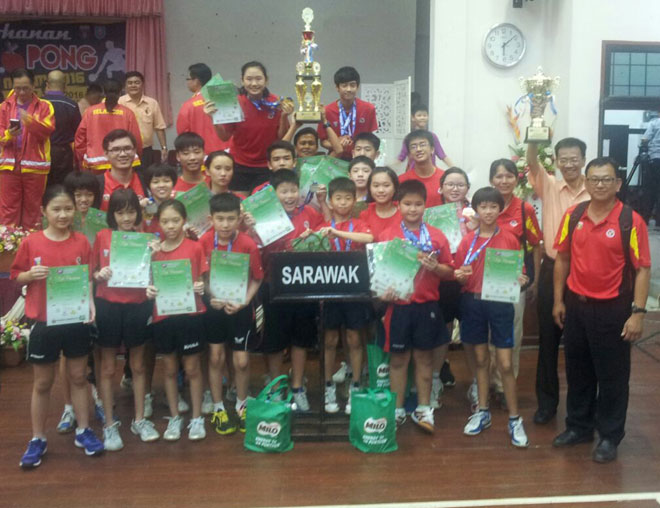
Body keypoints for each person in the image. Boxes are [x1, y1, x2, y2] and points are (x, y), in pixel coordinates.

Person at [551, 157, 651, 463]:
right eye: (593, 179)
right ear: (586, 182)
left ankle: (609, 435)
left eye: (606, 179)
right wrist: (558, 300)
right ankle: (579, 426)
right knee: (578, 371)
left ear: (618, 184)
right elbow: (563, 259)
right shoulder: (574, 215)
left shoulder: (630, 221)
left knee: (612, 376)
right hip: (577, 307)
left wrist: (638, 312)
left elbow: (643, 269)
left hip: (614, 310)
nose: (599, 185)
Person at [12, 185, 103, 469]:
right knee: (42, 383)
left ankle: (83, 431)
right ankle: (38, 438)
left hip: (75, 319)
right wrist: (29, 274)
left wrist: (91, 305)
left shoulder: (81, 243)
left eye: (68, 209)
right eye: (56, 209)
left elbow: (88, 278)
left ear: (74, 211)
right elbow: (16, 276)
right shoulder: (31, 242)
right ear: (43, 211)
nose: (63, 215)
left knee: (78, 377)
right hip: (43, 322)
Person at [243, 169, 325, 409]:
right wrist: (250, 230)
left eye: (293, 190)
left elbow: (324, 244)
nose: (290, 196)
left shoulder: (311, 213)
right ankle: (277, 386)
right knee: (274, 341)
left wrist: (314, 238)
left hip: (304, 287)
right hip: (272, 286)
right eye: (284, 191)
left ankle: (298, 386)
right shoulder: (262, 217)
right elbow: (251, 248)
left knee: (301, 340)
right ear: (273, 194)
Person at [454, 187, 529, 448]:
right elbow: (459, 271)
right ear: (476, 210)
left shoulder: (510, 238)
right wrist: (459, 275)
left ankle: (514, 418)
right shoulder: (467, 241)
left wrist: (521, 279)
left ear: (500, 209)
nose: (487, 211)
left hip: (500, 305)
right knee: (480, 360)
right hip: (472, 304)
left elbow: (520, 274)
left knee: (505, 363)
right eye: (482, 207)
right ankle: (482, 412)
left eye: (492, 207)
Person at [380, 179, 454, 432]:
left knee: (424, 359)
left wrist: (437, 267)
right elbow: (379, 274)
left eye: (418, 204)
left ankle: (424, 409)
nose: (413, 209)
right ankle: (398, 409)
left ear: (425, 205)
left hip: (427, 306)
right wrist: (383, 293)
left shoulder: (436, 235)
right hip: (398, 306)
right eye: (407, 204)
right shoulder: (388, 235)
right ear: (398, 205)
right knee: (398, 360)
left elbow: (449, 272)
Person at [527, 138, 590, 424]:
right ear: (556, 160)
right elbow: (531, 162)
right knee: (548, 341)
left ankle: (583, 407)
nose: (569, 164)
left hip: (586, 272)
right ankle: (547, 404)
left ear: (583, 159)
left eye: (574, 158)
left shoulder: (597, 189)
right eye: (563, 159)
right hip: (553, 266)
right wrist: (534, 138)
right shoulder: (550, 185)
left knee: (581, 343)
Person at [93, 189, 160, 450]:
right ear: (112, 215)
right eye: (120, 212)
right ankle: (110, 424)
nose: (126, 217)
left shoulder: (147, 240)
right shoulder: (102, 236)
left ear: (138, 213)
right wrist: (101, 274)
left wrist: (156, 255)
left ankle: (140, 420)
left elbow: (155, 277)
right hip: (108, 305)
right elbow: (94, 272)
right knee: (108, 368)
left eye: (131, 211)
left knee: (139, 366)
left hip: (138, 306)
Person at [200, 193, 263, 434]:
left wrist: (244, 302)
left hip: (240, 309)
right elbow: (202, 277)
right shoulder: (204, 241)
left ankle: (242, 404)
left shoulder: (247, 243)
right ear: (211, 219)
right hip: (214, 308)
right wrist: (210, 295)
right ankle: (218, 407)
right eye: (220, 219)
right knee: (215, 358)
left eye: (231, 219)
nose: (225, 225)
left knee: (242, 361)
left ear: (240, 219)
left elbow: (257, 278)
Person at [146, 199, 208, 441]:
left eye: (175, 220)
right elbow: (144, 282)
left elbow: (204, 279)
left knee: (192, 368)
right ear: (158, 223)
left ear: (184, 221)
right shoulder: (153, 251)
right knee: (170, 369)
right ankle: (174, 417)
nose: (170, 226)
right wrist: (148, 288)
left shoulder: (195, 247)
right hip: (163, 316)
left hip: (191, 315)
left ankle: (196, 418)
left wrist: (201, 286)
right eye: (164, 221)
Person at [488, 159, 542, 408]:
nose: (504, 181)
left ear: (516, 179)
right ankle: (485, 383)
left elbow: (535, 246)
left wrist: (536, 280)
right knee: (486, 337)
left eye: (509, 176)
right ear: (491, 180)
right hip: (483, 284)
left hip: (514, 283)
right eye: (499, 177)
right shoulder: (483, 205)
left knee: (511, 336)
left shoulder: (524, 210)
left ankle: (503, 385)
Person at [317, 177, 373, 414]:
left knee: (354, 339)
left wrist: (337, 233)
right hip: (330, 291)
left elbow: (369, 239)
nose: (342, 202)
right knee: (329, 340)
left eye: (347, 198)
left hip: (355, 291)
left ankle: (356, 386)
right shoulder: (323, 224)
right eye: (338, 198)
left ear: (354, 200)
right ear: (330, 201)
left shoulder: (358, 224)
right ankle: (328, 386)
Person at [206, 61, 293, 192]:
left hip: (267, 166)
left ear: (266, 80)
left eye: (258, 79)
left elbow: (281, 139)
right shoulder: (235, 103)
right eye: (249, 79)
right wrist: (214, 118)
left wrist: (284, 116)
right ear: (242, 80)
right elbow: (224, 137)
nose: (254, 84)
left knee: (262, 207)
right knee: (240, 205)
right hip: (239, 165)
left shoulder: (276, 103)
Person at [435, 167, 474, 408]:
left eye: (460, 184)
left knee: (471, 332)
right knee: (443, 331)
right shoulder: (433, 213)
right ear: (441, 188)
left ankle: (477, 383)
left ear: (467, 188)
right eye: (450, 184)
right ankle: (435, 378)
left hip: (471, 281)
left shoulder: (478, 212)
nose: (455, 188)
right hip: (444, 280)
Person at [0, 68, 55, 229]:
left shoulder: (45, 106)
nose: (21, 92)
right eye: (17, 88)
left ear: (33, 86)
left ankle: (32, 245)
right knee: (8, 209)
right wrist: (9, 134)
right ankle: (8, 248)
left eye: (25, 88)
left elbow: (48, 130)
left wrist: (29, 121)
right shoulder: (3, 107)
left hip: (35, 165)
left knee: (33, 209)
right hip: (8, 165)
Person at [75, 80, 142, 173]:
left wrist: (83, 157)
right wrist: (135, 157)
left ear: (104, 93)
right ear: (120, 93)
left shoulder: (90, 112)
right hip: (121, 162)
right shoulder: (128, 113)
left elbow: (80, 139)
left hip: (95, 162)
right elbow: (136, 140)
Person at [317, 66, 378, 160]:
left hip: (360, 158)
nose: (349, 89)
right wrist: (337, 144)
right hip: (335, 158)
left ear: (357, 87)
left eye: (352, 85)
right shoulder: (327, 111)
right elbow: (323, 141)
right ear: (337, 87)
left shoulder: (368, 109)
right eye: (344, 85)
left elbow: (370, 138)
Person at [119, 71, 168, 170]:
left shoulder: (152, 103)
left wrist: (164, 148)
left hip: (146, 150)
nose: (133, 85)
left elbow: (159, 127)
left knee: (145, 179)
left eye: (137, 82)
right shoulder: (119, 102)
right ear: (125, 86)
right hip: (124, 150)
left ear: (142, 84)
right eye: (130, 83)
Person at [176, 63, 229, 154]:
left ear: (196, 81)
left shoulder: (188, 106)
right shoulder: (224, 99)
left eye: (188, 79)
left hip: (201, 156)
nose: (187, 82)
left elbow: (183, 136)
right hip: (226, 154)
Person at [43, 70, 81, 186]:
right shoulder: (71, 105)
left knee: (43, 187)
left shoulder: (39, 104)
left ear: (47, 85)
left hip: (41, 152)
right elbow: (79, 133)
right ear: (65, 86)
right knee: (63, 187)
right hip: (63, 154)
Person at [98, 129, 147, 211]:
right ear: (106, 154)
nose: (123, 154)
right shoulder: (97, 185)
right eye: (116, 150)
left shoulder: (147, 181)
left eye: (127, 148)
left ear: (134, 151)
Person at [399, 130, 445, 207]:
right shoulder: (401, 181)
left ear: (432, 149)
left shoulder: (445, 178)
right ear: (409, 153)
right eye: (413, 147)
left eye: (422, 145)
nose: (418, 149)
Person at [398, 104, 453, 170]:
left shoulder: (433, 136)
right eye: (419, 115)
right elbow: (401, 158)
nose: (422, 118)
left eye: (424, 115)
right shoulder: (409, 138)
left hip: (431, 173)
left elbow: (442, 156)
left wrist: (455, 169)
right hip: (414, 173)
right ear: (412, 118)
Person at [359, 166, 401, 241]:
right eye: (376, 186)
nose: (381, 190)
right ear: (369, 188)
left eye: (386, 185)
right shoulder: (364, 214)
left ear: (395, 188)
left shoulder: (404, 212)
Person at [142, 163, 177, 236]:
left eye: (166, 181)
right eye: (155, 182)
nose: (161, 185)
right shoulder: (146, 206)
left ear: (173, 183)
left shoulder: (178, 205)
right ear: (149, 185)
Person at [640, 118, 660, 224]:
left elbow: (645, 139)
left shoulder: (654, 122)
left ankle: (645, 218)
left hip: (655, 158)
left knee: (650, 189)